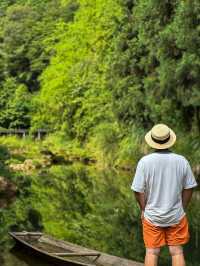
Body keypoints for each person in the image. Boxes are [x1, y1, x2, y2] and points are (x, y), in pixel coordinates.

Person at [130, 124, 198, 266]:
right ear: (169, 140)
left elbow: (137, 190)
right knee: (177, 252)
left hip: (152, 216)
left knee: (152, 252)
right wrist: (183, 207)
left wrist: (143, 208)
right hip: (176, 216)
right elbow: (189, 187)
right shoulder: (181, 161)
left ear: (152, 141)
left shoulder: (145, 162)